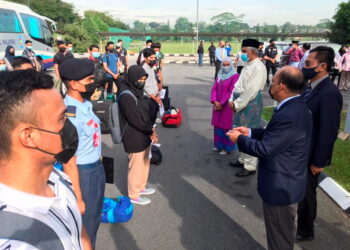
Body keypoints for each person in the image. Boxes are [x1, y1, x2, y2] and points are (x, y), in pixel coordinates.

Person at [0, 70, 91, 250]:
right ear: (29, 136)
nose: (69, 127)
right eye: (62, 118)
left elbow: (81, 237)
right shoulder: (13, 240)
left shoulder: (59, 179)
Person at [227, 66, 312, 250]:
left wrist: (239, 139)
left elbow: (265, 149)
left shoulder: (290, 114)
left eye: (272, 83)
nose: (269, 86)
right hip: (287, 180)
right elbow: (272, 133)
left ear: (281, 86)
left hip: (281, 185)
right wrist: (249, 132)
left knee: (279, 236)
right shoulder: (294, 106)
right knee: (281, 232)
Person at [297, 46, 343, 242]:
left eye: (308, 64)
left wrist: (319, 160)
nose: (303, 67)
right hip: (301, 149)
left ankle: (306, 231)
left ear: (322, 66)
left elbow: (328, 131)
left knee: (307, 195)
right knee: (300, 192)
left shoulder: (329, 93)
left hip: (311, 154)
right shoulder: (310, 86)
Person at [59, 58, 105, 248]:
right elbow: (69, 160)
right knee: (84, 226)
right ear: (73, 84)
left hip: (96, 169)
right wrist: (78, 197)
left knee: (93, 221)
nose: (93, 82)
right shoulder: (68, 113)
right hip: (82, 174)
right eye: (89, 79)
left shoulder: (84, 104)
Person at [118, 65, 158, 205]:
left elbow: (144, 114)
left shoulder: (137, 92)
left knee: (144, 162)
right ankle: (133, 194)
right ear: (133, 78)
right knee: (136, 166)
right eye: (140, 79)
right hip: (133, 136)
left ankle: (141, 187)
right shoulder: (126, 96)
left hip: (143, 134)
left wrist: (151, 129)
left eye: (144, 79)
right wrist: (150, 131)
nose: (142, 81)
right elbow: (135, 120)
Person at [228, 39, 267, 177]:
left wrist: (237, 104)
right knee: (239, 129)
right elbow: (238, 85)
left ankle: (250, 165)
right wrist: (231, 99)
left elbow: (251, 90)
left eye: (244, 51)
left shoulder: (259, 67)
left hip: (250, 102)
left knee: (248, 133)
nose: (242, 53)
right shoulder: (247, 65)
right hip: (241, 101)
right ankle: (243, 159)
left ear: (252, 51)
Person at [211, 58, 239, 155]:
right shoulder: (219, 75)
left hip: (227, 106)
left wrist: (221, 103)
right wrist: (215, 101)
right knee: (217, 125)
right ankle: (218, 145)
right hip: (217, 105)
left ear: (231, 65)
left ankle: (226, 148)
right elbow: (214, 89)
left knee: (226, 126)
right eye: (224, 65)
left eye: (228, 65)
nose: (226, 67)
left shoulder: (235, 76)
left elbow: (231, 91)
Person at [142, 48, 161, 125]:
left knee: (154, 115)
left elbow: (153, 81)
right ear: (145, 58)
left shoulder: (151, 67)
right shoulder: (144, 69)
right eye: (151, 58)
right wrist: (156, 98)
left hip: (155, 96)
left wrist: (158, 94)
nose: (153, 59)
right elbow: (146, 87)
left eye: (154, 57)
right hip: (149, 99)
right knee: (150, 118)